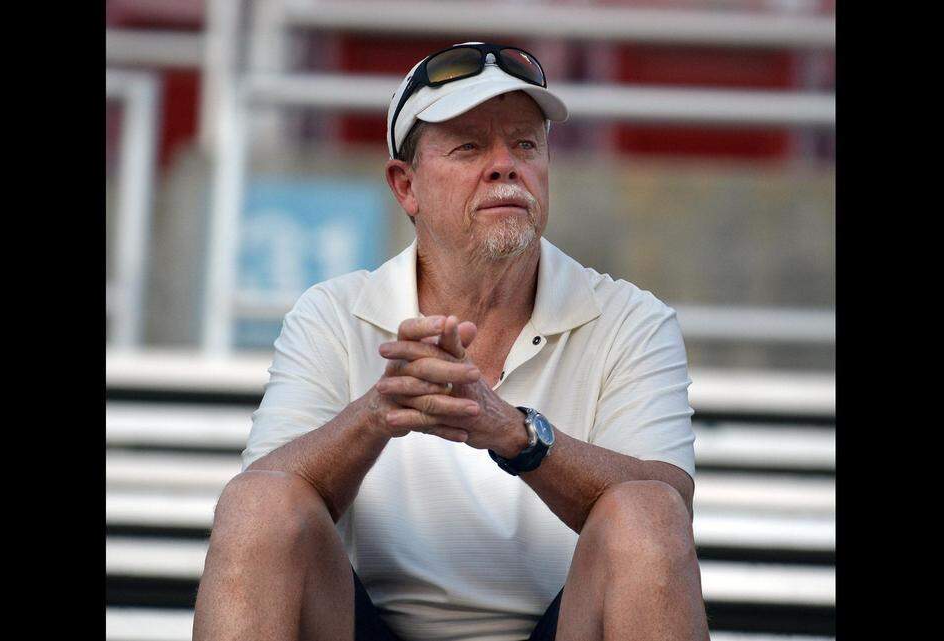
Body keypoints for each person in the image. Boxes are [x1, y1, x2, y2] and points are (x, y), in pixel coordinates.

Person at [193, 42, 709, 641]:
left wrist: (519, 436)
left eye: (525, 144)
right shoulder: (332, 312)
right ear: (405, 187)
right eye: (469, 146)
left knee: (645, 512)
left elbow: (669, 504)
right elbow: (258, 508)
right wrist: (376, 413)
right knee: (260, 506)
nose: (504, 165)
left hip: (564, 628)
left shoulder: (631, 318)